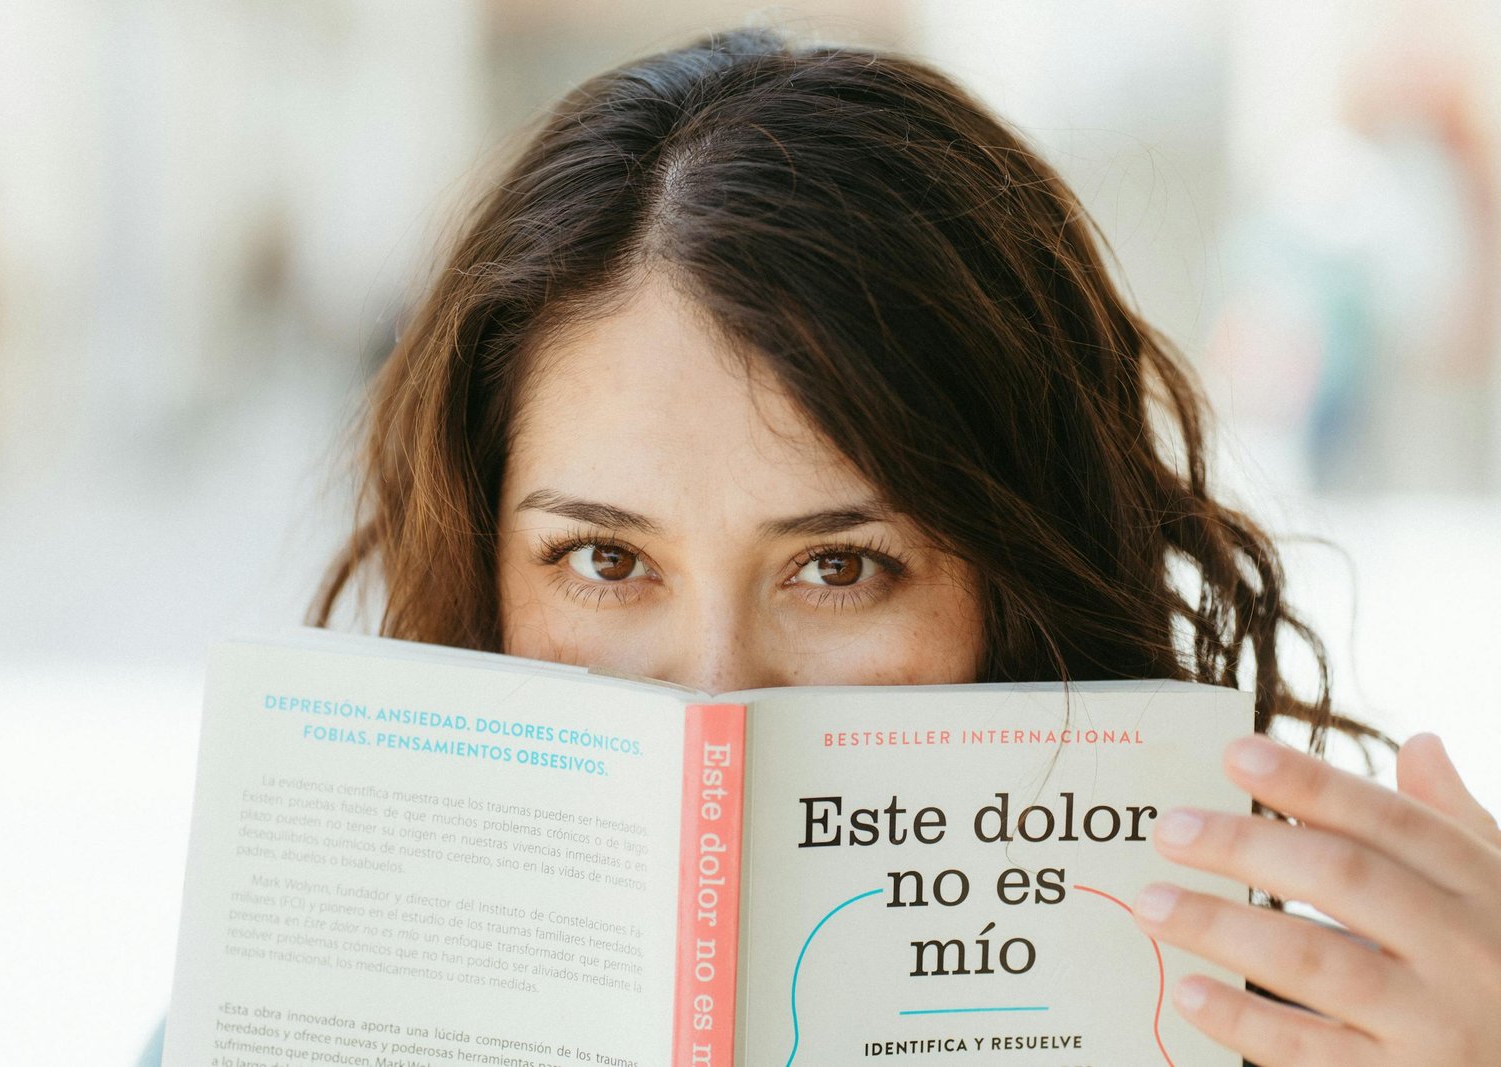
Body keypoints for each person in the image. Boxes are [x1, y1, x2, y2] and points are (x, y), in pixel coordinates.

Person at [306, 28, 1501, 1067]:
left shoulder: (1301, 1032)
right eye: (605, 561)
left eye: (840, 567)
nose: (716, 696)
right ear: (480, 554)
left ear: (1020, 573)